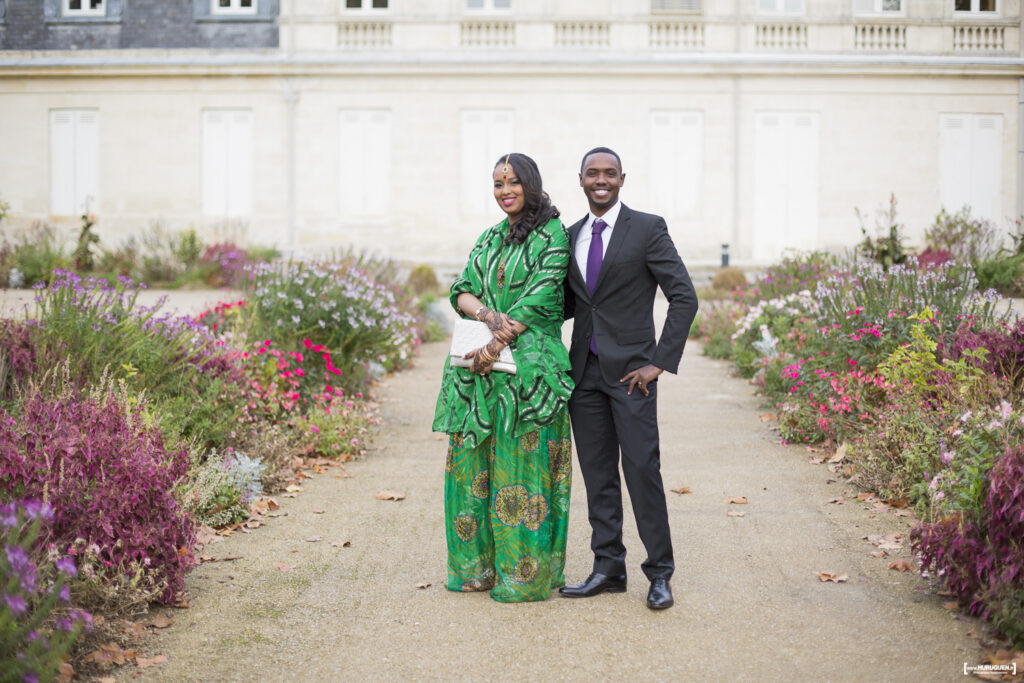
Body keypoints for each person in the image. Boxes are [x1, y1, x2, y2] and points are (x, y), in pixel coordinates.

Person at [560, 147, 698, 610]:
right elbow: (567, 306)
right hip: (583, 376)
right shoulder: (570, 235)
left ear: (622, 179)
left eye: (610, 173)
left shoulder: (647, 228)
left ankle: (659, 573)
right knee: (598, 476)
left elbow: (684, 297)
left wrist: (659, 362)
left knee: (642, 471)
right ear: (580, 179)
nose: (601, 180)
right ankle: (608, 568)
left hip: (632, 376)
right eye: (593, 173)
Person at [433, 152, 574, 603]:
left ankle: (524, 577)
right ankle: (475, 570)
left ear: (530, 185)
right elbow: (462, 289)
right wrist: (489, 317)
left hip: (529, 375)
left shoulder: (552, 234)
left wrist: (496, 344)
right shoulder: (490, 236)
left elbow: (542, 296)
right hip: (478, 376)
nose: (505, 190)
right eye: (497, 183)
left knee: (522, 469)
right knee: (471, 469)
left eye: (513, 182)